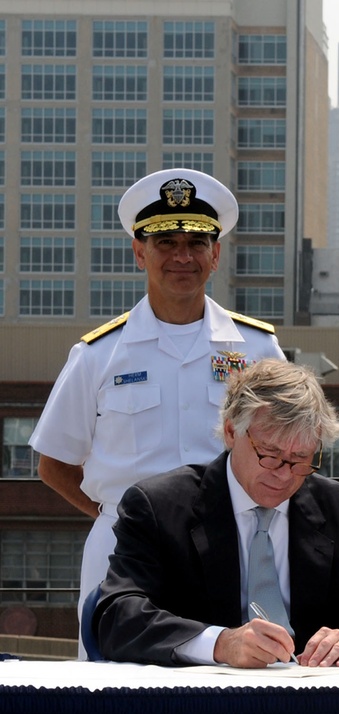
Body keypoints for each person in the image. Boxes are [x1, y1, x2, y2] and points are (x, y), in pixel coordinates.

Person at [28, 168, 286, 653]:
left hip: (229, 549)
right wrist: (119, 516)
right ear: (139, 251)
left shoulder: (257, 348)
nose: (182, 256)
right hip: (123, 554)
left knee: (233, 682)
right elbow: (54, 463)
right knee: (113, 689)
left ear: (216, 255)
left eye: (196, 243)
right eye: (166, 242)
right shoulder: (99, 354)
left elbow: (291, 451)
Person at [93, 359, 339, 667]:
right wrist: (219, 643)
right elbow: (117, 615)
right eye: (269, 455)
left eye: (300, 458)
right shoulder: (158, 507)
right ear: (231, 432)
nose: (284, 475)